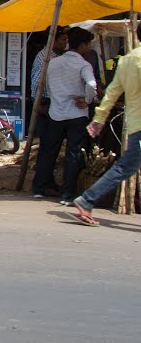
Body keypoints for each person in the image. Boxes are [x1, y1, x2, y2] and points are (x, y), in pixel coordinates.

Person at [70, 26, 141, 226]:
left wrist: (99, 118)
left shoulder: (126, 60)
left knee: (126, 166)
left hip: (135, 124)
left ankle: (87, 199)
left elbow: (111, 93)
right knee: (126, 166)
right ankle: (87, 200)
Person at [34, 27, 97, 206]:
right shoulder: (83, 65)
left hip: (56, 112)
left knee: (48, 151)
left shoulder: (53, 63)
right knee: (73, 153)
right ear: (83, 45)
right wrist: (87, 100)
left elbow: (46, 85)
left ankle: (39, 189)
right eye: (88, 45)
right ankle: (67, 195)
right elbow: (91, 85)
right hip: (77, 114)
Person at [29, 26, 68, 198]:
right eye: (63, 40)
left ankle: (48, 182)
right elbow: (38, 82)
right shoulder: (48, 57)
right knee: (47, 148)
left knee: (50, 147)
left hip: (48, 103)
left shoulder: (54, 57)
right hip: (45, 104)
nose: (65, 43)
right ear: (54, 39)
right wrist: (41, 104)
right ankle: (40, 186)